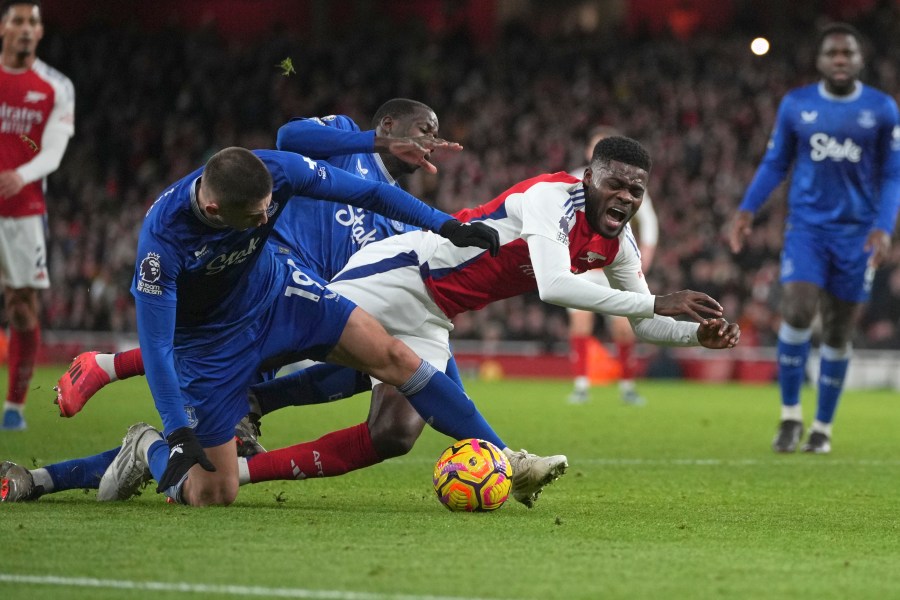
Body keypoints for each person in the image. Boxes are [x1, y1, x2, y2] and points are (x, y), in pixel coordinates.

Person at [729, 22, 900, 455]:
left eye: (848, 53)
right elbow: (774, 163)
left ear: (860, 60)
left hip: (857, 236)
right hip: (806, 229)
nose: (840, 60)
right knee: (799, 309)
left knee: (839, 332)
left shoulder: (881, 110)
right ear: (820, 60)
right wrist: (748, 209)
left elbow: (892, 175)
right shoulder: (796, 105)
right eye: (833, 53)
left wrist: (883, 227)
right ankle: (790, 417)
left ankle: (822, 427)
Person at [0, 0, 74, 430]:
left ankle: (14, 408)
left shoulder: (55, 86)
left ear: (40, 32)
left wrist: (20, 174)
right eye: (19, 21)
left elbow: (55, 147)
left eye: (33, 22)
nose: (26, 28)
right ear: (4, 28)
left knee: (22, 307)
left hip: (23, 212)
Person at [566, 126, 659, 405]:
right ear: (588, 153)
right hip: (581, 269)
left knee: (623, 328)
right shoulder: (572, 179)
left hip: (611, 268)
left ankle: (627, 385)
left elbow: (650, 224)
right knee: (581, 324)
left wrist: (642, 262)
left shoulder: (629, 184)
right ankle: (581, 385)